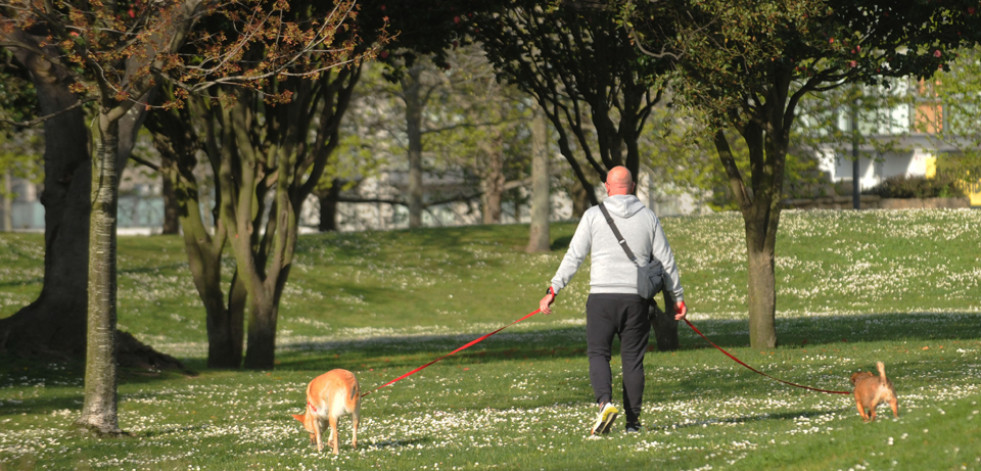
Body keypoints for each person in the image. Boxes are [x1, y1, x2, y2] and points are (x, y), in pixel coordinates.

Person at [539, 166, 687, 435]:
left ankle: (605, 404)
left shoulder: (593, 216)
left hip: (601, 299)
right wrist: (677, 298)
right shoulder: (648, 217)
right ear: (631, 187)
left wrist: (553, 290)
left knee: (598, 354)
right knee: (632, 360)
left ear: (607, 187)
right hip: (636, 300)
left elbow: (574, 255)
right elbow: (666, 261)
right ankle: (633, 423)